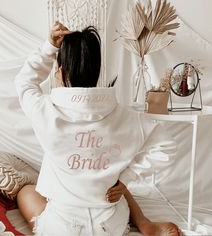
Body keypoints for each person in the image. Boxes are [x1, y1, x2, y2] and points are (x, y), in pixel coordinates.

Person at [15, 22, 182, 236]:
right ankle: (143, 222)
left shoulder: (44, 110)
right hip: (109, 225)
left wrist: (49, 47)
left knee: (26, 191)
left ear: (59, 71)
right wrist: (128, 177)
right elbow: (166, 146)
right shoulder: (127, 116)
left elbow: (24, 82)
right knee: (117, 181)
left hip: (63, 228)